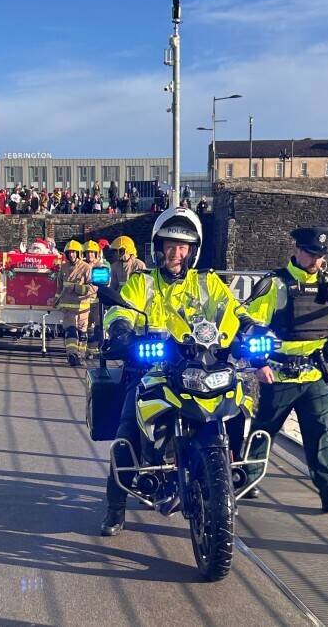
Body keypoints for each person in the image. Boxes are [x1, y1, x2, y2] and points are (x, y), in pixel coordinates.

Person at [99, 206, 247, 536]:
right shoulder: (143, 282)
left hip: (202, 367)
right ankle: (115, 507)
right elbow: (119, 310)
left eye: (182, 247)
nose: (175, 254)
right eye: (170, 246)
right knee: (126, 433)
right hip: (150, 370)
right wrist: (121, 328)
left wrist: (250, 327)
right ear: (158, 248)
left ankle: (232, 472)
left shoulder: (208, 282)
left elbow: (233, 310)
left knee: (241, 405)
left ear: (192, 251)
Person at [245, 227, 328, 513]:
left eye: (320, 256)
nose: (315, 261)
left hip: (315, 375)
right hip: (279, 374)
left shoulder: (327, 284)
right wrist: (259, 364)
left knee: (320, 434)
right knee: (265, 431)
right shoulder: (274, 284)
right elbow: (251, 326)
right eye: (310, 253)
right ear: (296, 250)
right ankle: (247, 480)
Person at [55, 240, 95, 367]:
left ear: (78, 253)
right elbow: (59, 287)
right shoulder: (64, 267)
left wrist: (76, 288)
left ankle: (80, 356)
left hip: (83, 308)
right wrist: (56, 300)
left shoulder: (86, 268)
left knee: (82, 334)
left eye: (73, 252)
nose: (71, 254)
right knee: (70, 331)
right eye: (69, 252)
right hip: (68, 309)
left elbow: (92, 287)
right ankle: (72, 355)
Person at [83, 240, 104, 358]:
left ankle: (97, 349)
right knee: (84, 327)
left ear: (96, 254)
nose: (89, 255)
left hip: (97, 303)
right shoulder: (81, 265)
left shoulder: (100, 267)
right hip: (84, 302)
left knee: (98, 327)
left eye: (92, 252)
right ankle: (86, 350)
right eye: (87, 252)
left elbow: (100, 285)